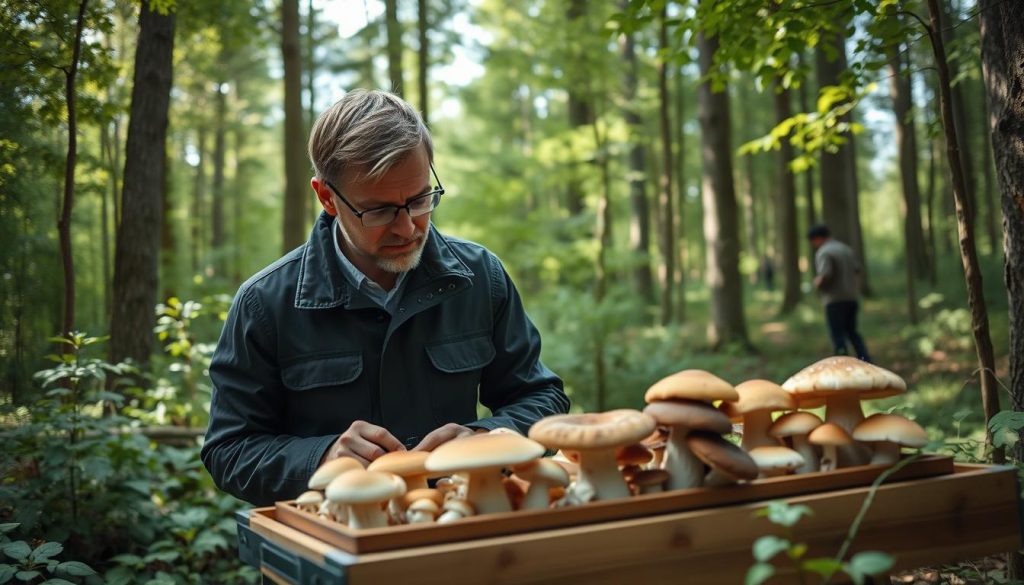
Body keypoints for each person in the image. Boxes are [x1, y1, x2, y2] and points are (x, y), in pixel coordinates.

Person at [201, 89, 570, 506]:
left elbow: (543, 398)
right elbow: (228, 451)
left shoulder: (481, 277)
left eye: (419, 200)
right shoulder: (264, 305)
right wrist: (321, 457)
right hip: (332, 552)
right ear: (327, 198)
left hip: (457, 531)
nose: (408, 228)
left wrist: (485, 440)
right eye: (378, 211)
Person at [807, 224, 871, 362]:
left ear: (817, 238)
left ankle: (841, 366)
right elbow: (857, 270)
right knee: (852, 332)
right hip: (852, 298)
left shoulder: (824, 252)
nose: (814, 245)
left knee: (838, 335)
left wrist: (817, 283)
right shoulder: (846, 249)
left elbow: (825, 274)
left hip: (834, 300)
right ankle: (867, 361)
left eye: (813, 242)